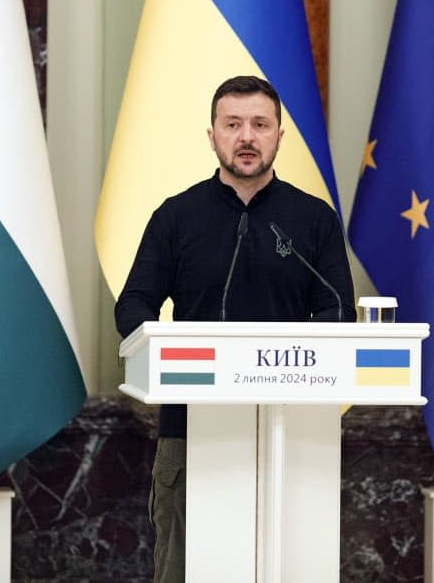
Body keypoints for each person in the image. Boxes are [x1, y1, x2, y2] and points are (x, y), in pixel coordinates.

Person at [114, 75, 355, 583]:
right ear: (212, 136)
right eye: (233, 125)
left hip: (292, 434)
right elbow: (133, 305)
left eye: (260, 125)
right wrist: (167, 351)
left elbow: (338, 313)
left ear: (279, 136)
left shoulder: (313, 220)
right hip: (189, 431)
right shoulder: (176, 217)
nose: (247, 137)